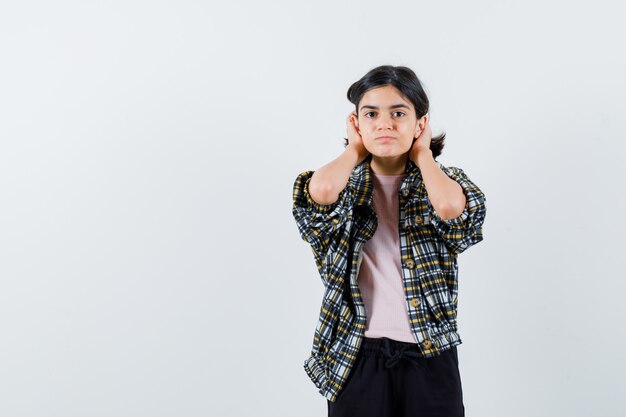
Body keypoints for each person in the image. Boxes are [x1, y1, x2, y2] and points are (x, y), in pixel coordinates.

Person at [291, 65, 487, 417]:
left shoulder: (443, 182)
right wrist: (354, 150)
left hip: (429, 351)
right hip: (356, 351)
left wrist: (423, 155)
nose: (385, 124)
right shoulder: (341, 185)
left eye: (399, 113)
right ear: (356, 123)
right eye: (371, 114)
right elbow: (319, 193)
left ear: (419, 124)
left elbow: (450, 210)